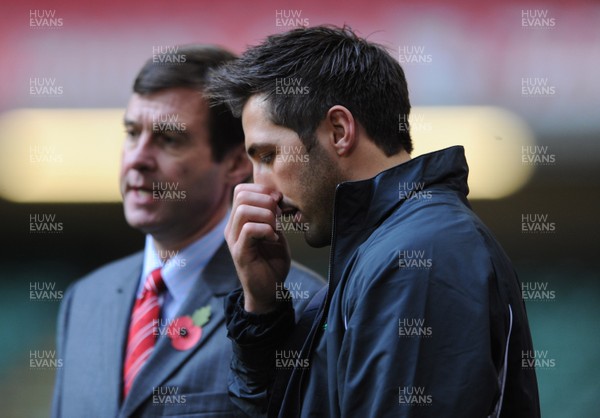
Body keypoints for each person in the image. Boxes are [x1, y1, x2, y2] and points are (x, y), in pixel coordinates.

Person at [207, 26, 541, 417]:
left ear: (339, 131)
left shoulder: (418, 255)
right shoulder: (384, 250)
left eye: (267, 155)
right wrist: (263, 311)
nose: (258, 188)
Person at [51, 45, 324, 418]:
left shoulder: (300, 303)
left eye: (168, 140)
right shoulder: (84, 300)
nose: (137, 158)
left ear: (233, 165)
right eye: (132, 133)